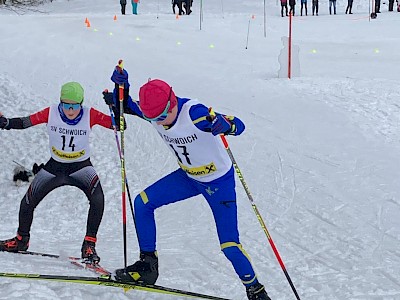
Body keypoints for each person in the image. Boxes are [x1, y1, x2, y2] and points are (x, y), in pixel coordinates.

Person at [102, 66, 272, 300]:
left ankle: (256, 289)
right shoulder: (156, 113)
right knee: (142, 203)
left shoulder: (195, 114)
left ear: (172, 103)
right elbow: (127, 106)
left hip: (218, 183)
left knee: (229, 245)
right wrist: (121, 88)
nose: (159, 123)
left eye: (162, 117)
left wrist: (226, 125)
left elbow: (239, 125)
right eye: (153, 119)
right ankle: (148, 266)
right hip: (189, 178)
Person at [0, 82, 115, 264]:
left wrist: (116, 105)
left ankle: (89, 245)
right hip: (55, 167)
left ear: (81, 103)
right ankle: (21, 241)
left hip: (81, 167)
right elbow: (25, 122)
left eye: (75, 106)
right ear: (60, 102)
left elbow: (118, 125)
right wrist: (6, 123)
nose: (70, 110)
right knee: (28, 201)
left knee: (98, 198)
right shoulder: (51, 112)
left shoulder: (89, 114)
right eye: (66, 105)